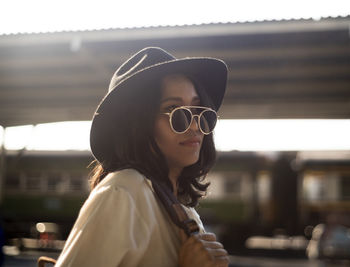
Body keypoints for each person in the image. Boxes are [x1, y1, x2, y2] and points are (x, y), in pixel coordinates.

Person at [54, 47, 229, 267]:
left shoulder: (186, 212)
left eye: (196, 109)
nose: (194, 124)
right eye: (174, 109)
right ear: (136, 125)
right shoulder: (122, 192)